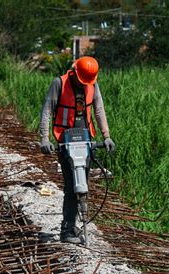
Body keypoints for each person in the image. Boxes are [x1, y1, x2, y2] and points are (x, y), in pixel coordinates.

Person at [39, 56, 116, 243]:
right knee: (71, 187)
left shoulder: (93, 85)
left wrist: (106, 136)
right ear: (74, 71)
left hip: (86, 139)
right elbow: (47, 110)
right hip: (65, 140)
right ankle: (67, 230)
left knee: (83, 185)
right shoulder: (59, 83)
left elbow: (99, 110)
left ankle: (76, 226)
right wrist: (44, 138)